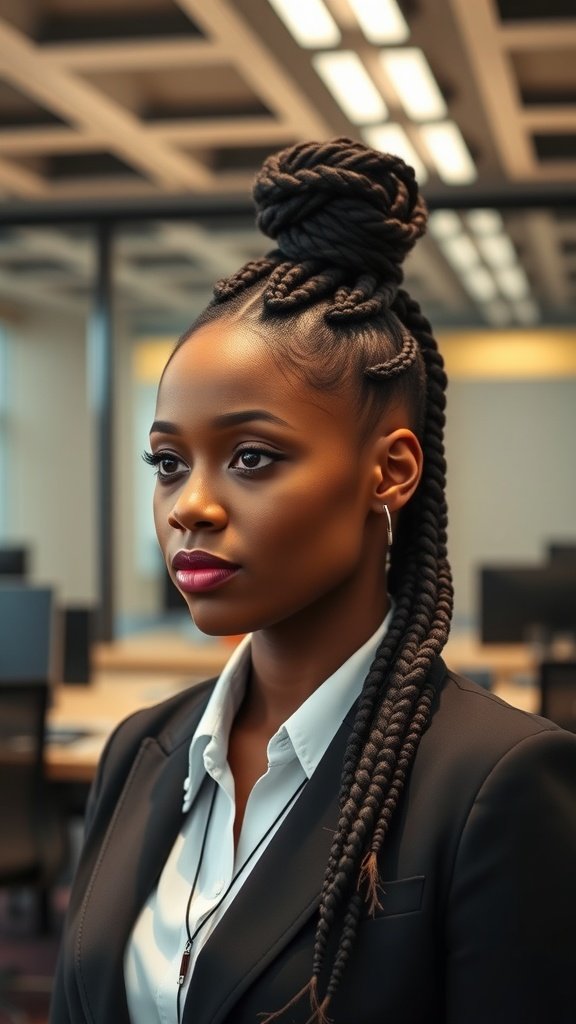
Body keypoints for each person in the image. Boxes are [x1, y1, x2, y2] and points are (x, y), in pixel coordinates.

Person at [50, 138, 576, 1024]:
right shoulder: (138, 751)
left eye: (251, 457)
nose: (191, 506)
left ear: (390, 472)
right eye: (168, 462)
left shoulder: (498, 785)